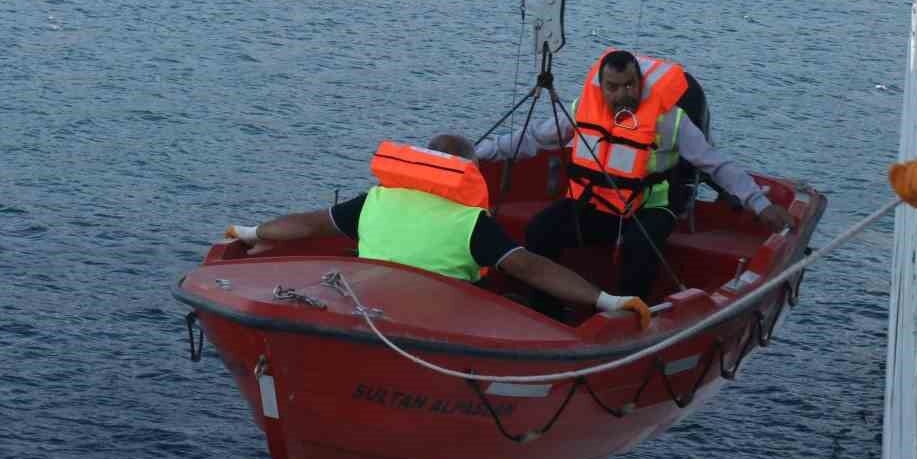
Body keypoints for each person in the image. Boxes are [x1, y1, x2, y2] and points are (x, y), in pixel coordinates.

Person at [477, 49, 795, 316]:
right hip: (597, 204)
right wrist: (479, 152)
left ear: (639, 82)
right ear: (601, 87)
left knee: (638, 248)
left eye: (630, 85)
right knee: (540, 230)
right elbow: (533, 138)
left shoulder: (669, 120)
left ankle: (629, 320)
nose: (622, 94)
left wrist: (760, 204)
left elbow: (715, 164)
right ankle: (546, 312)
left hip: (649, 206)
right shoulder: (580, 110)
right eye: (613, 87)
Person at [224, 134, 654, 328]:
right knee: (510, 298)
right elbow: (532, 269)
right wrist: (605, 299)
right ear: (469, 172)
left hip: (361, 306)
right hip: (435, 321)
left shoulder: (376, 200)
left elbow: (307, 223)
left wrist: (251, 230)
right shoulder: (469, 224)